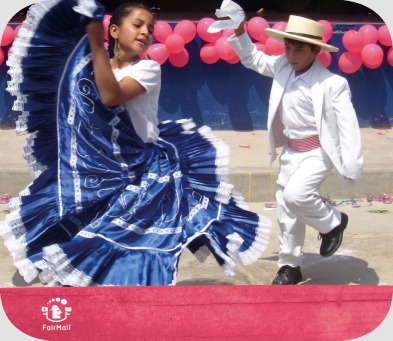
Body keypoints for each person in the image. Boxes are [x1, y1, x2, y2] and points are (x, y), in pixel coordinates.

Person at [1, 0, 271, 286]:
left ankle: (123, 288)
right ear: (115, 30)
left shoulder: (148, 70)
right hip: (101, 165)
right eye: (138, 25)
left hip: (140, 168)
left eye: (150, 29)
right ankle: (76, 271)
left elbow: (111, 96)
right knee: (79, 217)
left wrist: (93, 44)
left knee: (132, 236)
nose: (146, 33)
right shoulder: (93, 69)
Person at [228, 14, 363, 284]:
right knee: (286, 211)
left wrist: (352, 164)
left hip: (317, 152)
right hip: (290, 151)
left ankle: (333, 222)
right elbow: (253, 58)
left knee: (296, 195)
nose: (292, 54)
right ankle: (290, 265)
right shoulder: (281, 66)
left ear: (316, 50)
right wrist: (240, 29)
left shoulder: (332, 84)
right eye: (288, 47)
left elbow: (348, 125)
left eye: (300, 48)